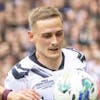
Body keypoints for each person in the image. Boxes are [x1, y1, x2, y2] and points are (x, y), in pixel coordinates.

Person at [4, 7, 87, 100]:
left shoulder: (77, 57)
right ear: (31, 36)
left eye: (59, 34)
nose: (55, 41)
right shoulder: (21, 73)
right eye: (47, 36)